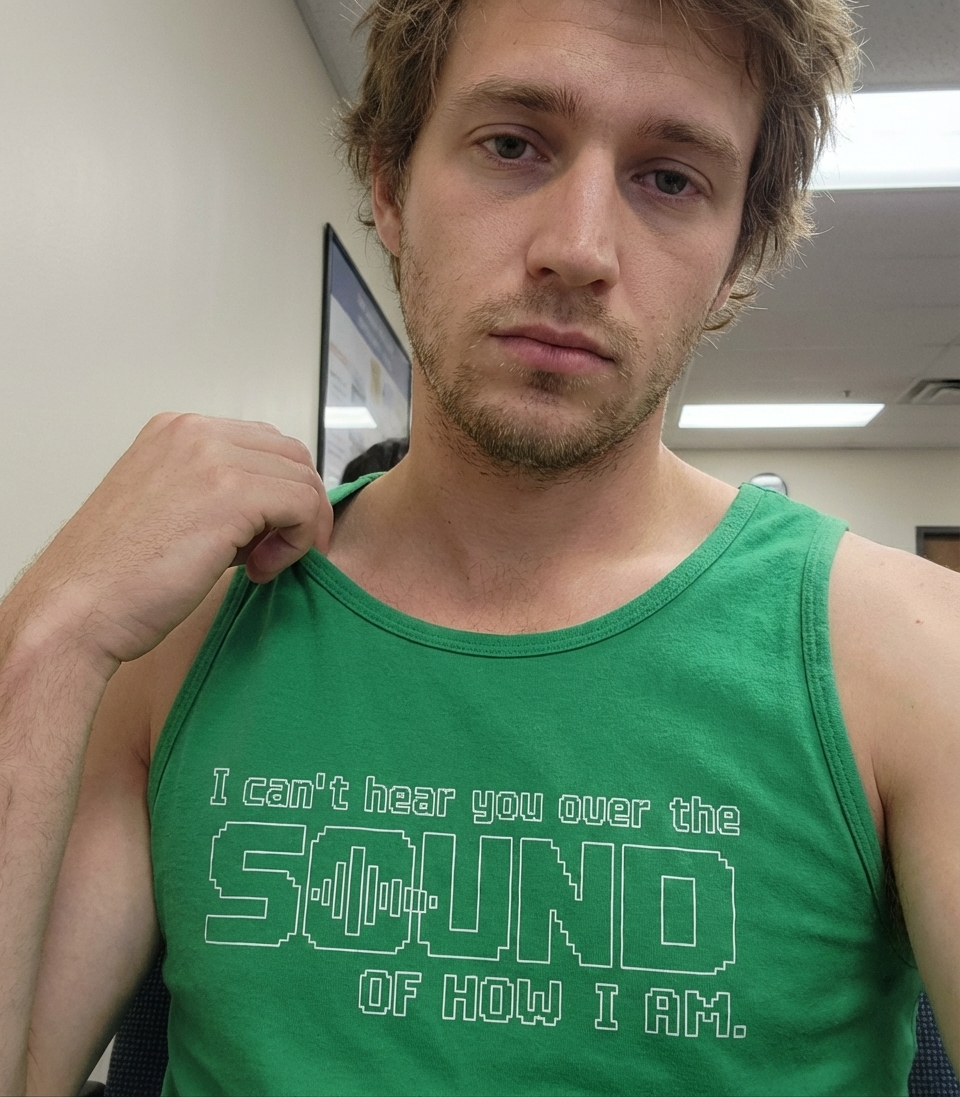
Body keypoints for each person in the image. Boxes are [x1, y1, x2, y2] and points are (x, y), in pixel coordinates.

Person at [0, 0, 956, 1093]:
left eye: (669, 178)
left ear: (738, 254)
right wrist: (50, 627)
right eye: (513, 145)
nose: (578, 250)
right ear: (388, 182)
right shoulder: (186, 635)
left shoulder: (910, 657)